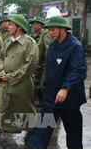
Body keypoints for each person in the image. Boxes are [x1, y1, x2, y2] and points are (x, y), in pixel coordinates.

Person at [0, 15, 39, 146]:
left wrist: (12, 77)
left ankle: (32, 131)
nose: (8, 27)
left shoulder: (29, 43)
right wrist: (1, 73)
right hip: (4, 82)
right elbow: (0, 58)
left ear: (19, 27)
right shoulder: (7, 42)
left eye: (11, 24)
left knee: (24, 109)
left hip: (21, 84)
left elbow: (30, 65)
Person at [28, 16, 87, 149]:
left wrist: (65, 88)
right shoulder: (53, 46)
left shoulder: (75, 46)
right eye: (49, 30)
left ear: (63, 29)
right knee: (39, 132)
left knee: (74, 136)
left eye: (53, 30)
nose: (50, 33)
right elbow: (49, 70)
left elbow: (79, 70)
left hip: (70, 99)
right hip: (50, 98)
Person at [37, 8, 61, 103]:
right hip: (47, 67)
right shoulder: (44, 34)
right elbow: (39, 52)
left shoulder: (66, 34)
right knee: (43, 88)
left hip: (60, 68)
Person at [29, 16, 46, 107]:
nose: (35, 26)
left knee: (40, 84)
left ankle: (38, 99)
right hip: (32, 65)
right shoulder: (29, 37)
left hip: (41, 65)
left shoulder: (44, 37)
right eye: (33, 24)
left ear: (42, 25)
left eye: (37, 24)